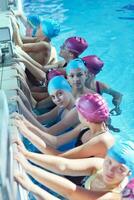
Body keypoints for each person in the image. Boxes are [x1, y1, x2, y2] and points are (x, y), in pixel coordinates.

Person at [14, 140, 134, 200]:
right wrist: (27, 154)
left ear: (129, 173)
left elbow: (71, 192)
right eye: (109, 161)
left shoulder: (115, 196)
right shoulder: (99, 165)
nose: (110, 170)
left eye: (120, 169)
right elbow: (64, 166)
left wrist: (31, 184)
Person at [13, 92, 114, 158]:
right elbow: (56, 142)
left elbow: (61, 157)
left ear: (85, 116)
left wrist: (26, 132)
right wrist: (26, 124)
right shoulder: (84, 127)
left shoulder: (100, 140)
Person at [83, 55, 123, 132]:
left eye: (81, 67)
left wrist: (117, 106)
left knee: (106, 121)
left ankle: (110, 127)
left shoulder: (100, 86)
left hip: (95, 113)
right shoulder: (75, 80)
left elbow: (118, 95)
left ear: (89, 73)